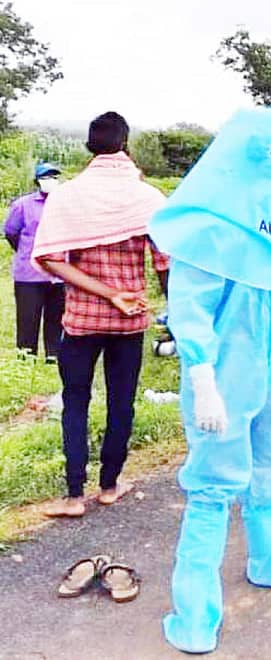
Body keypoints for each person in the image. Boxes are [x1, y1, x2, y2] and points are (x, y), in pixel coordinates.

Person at [149, 107, 271, 653]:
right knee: (212, 482)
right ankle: (195, 608)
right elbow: (190, 304)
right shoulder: (211, 223)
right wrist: (201, 374)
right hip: (225, 376)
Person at [31, 111, 169, 518]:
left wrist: (104, 292)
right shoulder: (148, 197)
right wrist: (172, 311)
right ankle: (109, 486)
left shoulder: (68, 196)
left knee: (75, 402)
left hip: (80, 321)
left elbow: (51, 259)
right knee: (121, 403)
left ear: (90, 147)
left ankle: (74, 497)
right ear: (126, 144)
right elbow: (165, 263)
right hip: (130, 322)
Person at [4, 162, 66, 360]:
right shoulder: (23, 205)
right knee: (28, 318)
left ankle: (53, 354)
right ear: (37, 181)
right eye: (46, 177)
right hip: (29, 273)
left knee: (56, 317)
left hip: (58, 273)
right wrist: (24, 250)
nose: (51, 181)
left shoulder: (64, 204)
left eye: (54, 177)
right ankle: (26, 356)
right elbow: (11, 231)